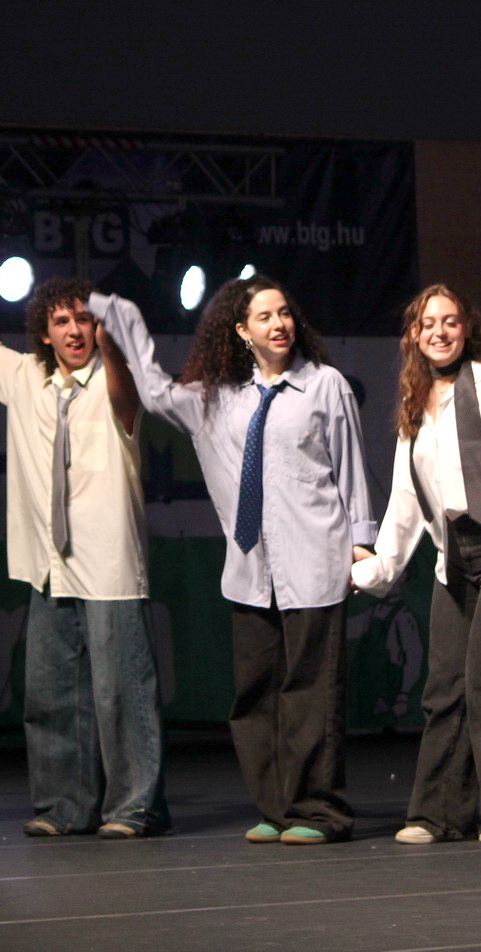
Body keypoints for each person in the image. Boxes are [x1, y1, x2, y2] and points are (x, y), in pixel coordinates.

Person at [91, 275, 376, 845]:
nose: (279, 324)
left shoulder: (325, 385)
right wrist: (116, 314)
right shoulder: (214, 398)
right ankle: (277, 807)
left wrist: (361, 542)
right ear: (242, 331)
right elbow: (152, 389)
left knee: (311, 694)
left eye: (284, 312)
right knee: (254, 695)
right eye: (265, 316)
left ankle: (319, 812)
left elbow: (351, 468)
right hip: (251, 571)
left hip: (315, 560)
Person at [0, 248, 170, 840]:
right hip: (49, 563)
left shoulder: (114, 380)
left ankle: (134, 807)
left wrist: (113, 349)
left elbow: (128, 401)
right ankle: (64, 805)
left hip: (108, 562)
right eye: (62, 321)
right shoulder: (27, 377)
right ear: (45, 333)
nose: (74, 330)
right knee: (51, 695)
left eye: (83, 319)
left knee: (121, 693)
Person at [352, 285, 481, 844]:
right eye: (428, 324)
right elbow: (406, 496)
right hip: (454, 558)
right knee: (443, 689)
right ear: (414, 337)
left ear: (467, 329)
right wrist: (380, 568)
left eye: (449, 321)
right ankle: (440, 813)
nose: (439, 332)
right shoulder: (415, 402)